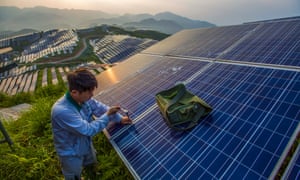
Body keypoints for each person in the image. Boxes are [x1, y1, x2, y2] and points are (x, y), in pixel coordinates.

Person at [51, 67, 132, 179]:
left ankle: (92, 175)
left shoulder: (83, 98)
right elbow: (88, 130)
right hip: (71, 153)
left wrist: (119, 118)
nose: (92, 95)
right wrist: (108, 115)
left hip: (85, 144)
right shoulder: (62, 111)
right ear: (74, 92)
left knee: (91, 165)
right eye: (89, 92)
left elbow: (99, 108)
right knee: (74, 175)